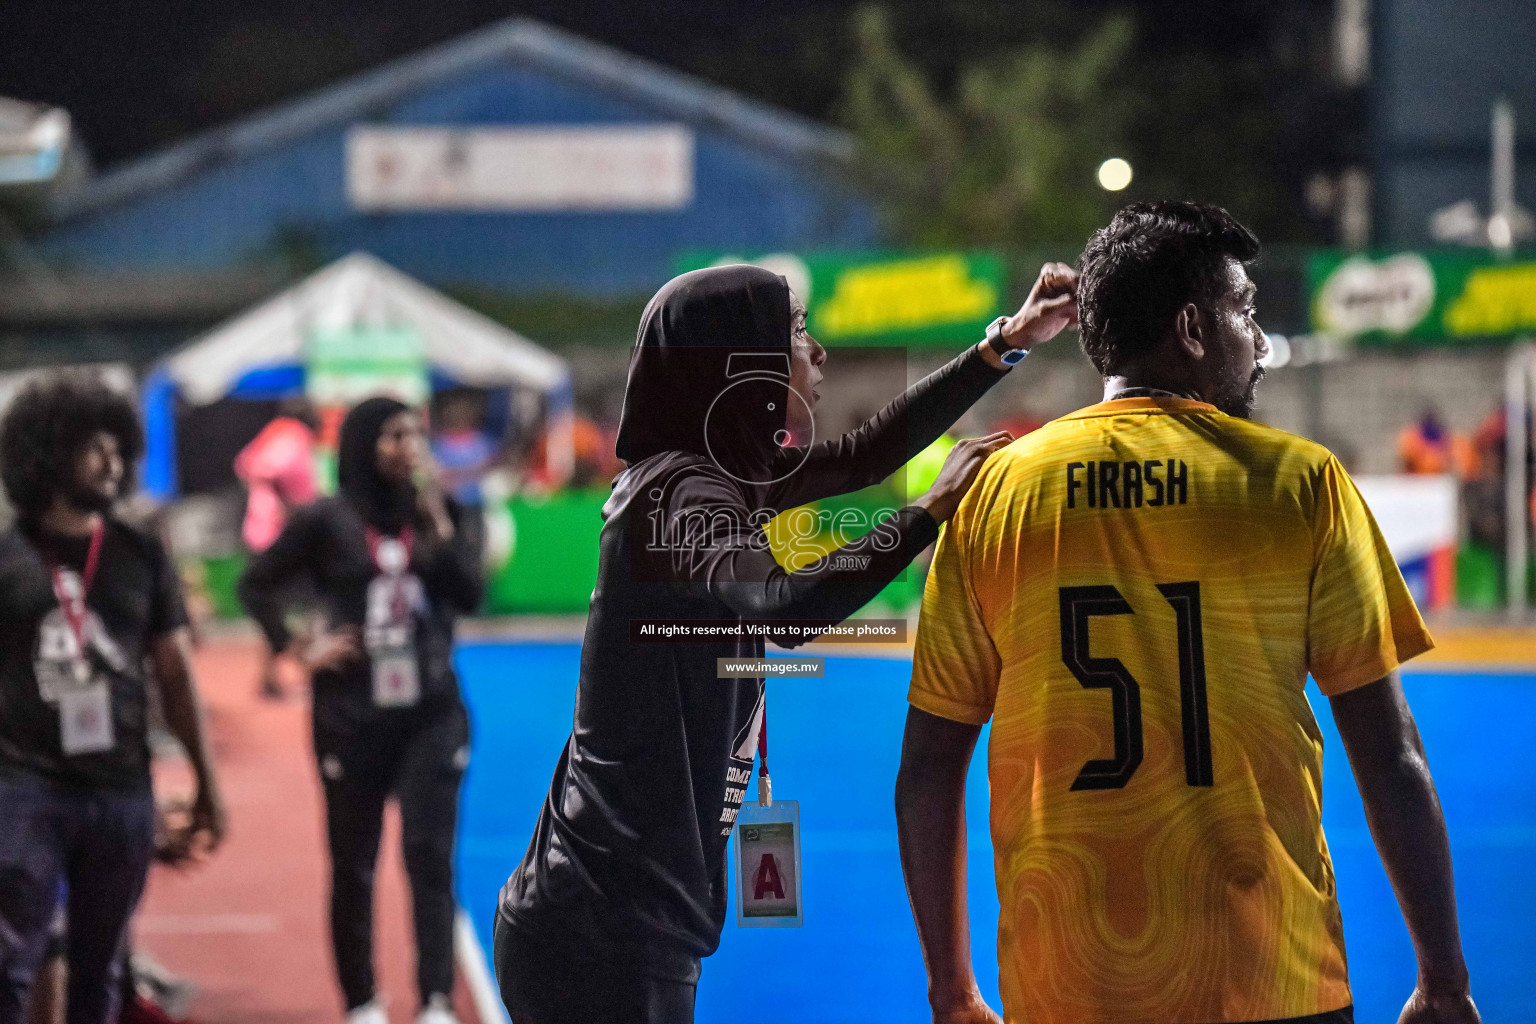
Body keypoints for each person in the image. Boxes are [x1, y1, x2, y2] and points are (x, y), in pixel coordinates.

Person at [898, 201, 1480, 1024]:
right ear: (1192, 329)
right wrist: (1445, 980)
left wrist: (952, 992)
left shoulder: (997, 492)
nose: (1262, 343)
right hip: (1272, 979)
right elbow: (1391, 754)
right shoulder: (1299, 482)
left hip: (1067, 988)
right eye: (1244, 313)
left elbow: (928, 766)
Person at [495, 261, 1079, 1024]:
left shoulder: (709, 476)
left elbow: (866, 454)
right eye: (798, 331)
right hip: (604, 936)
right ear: (742, 365)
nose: (818, 351)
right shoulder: (679, 496)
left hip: (614, 922)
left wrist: (1005, 344)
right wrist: (927, 515)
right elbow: (780, 609)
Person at [237, 397, 482, 1024]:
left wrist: (440, 524)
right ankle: (362, 1002)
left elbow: (470, 594)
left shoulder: (441, 512)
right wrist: (299, 646)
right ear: (363, 444)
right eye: (394, 434)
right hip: (351, 715)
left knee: (429, 856)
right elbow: (255, 583)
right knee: (354, 863)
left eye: (415, 434)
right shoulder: (327, 519)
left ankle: (434, 1000)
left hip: (432, 711)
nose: (410, 447)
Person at [0, 372, 225, 1024]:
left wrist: (207, 783)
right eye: (93, 449)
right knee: (11, 965)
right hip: (25, 790)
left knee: (102, 975)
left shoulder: (140, 554)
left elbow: (176, 675)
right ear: (47, 452)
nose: (113, 463)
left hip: (122, 791)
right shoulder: (7, 560)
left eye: (118, 449)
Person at [234, 398, 320, 700]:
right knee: (313, 603)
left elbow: (244, 464)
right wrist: (290, 507)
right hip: (282, 537)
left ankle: (272, 677)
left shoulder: (272, 431)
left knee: (274, 609)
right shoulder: (292, 434)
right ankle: (312, 669)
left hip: (261, 530)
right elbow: (268, 470)